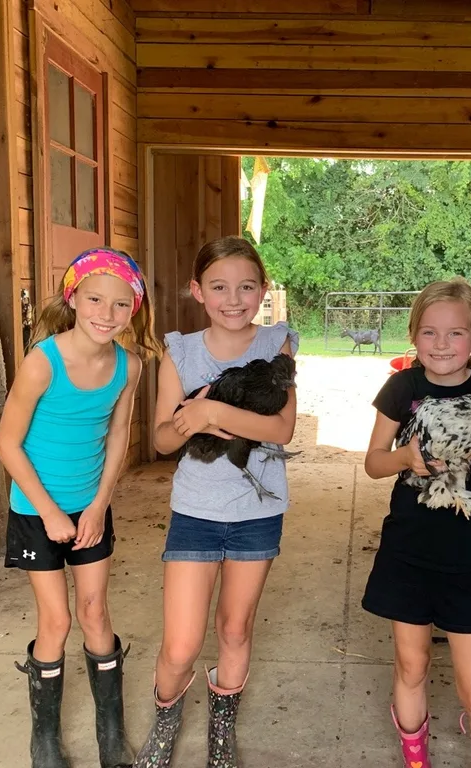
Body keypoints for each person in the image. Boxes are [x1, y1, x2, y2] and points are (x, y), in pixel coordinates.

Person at [135, 236, 298, 768]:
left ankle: (220, 735)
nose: (234, 298)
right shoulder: (179, 350)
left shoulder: (276, 344)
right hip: (196, 511)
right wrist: (191, 420)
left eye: (247, 286)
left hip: (257, 513)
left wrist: (211, 415)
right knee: (181, 644)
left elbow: (281, 428)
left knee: (234, 627)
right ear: (196, 291)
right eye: (219, 286)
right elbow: (162, 439)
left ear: (263, 290)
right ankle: (164, 726)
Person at [0, 247, 161, 768]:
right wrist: (48, 511)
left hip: (90, 508)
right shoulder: (42, 361)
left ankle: (110, 735)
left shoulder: (128, 366)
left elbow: (117, 436)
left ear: (133, 310)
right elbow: (7, 444)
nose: (105, 314)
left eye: (119, 305)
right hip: (35, 509)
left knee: (96, 612)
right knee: (57, 622)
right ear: (73, 297)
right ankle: (44, 741)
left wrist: (99, 504)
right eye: (94, 299)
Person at [361, 278, 471, 768]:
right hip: (407, 552)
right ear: (414, 337)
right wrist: (405, 459)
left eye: (456, 334)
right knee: (412, 665)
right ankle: (416, 757)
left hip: (467, 559)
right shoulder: (402, 387)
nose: (442, 345)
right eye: (430, 333)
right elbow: (374, 462)